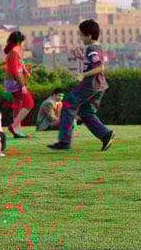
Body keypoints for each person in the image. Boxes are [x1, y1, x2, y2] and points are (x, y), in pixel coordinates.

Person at [47, 20, 114, 151]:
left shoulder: (91, 48)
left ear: (89, 36)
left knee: (68, 103)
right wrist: (82, 58)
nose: (81, 38)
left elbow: (100, 67)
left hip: (90, 84)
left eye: (82, 35)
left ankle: (64, 141)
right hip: (100, 86)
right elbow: (95, 62)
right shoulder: (97, 47)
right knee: (86, 112)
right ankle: (105, 135)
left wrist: (83, 74)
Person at [4, 31, 34, 138]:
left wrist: (26, 71)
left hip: (12, 81)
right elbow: (14, 71)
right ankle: (13, 126)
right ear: (19, 42)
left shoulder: (14, 53)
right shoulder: (14, 53)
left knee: (17, 105)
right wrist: (22, 85)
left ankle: (17, 131)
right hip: (14, 81)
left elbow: (17, 69)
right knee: (29, 103)